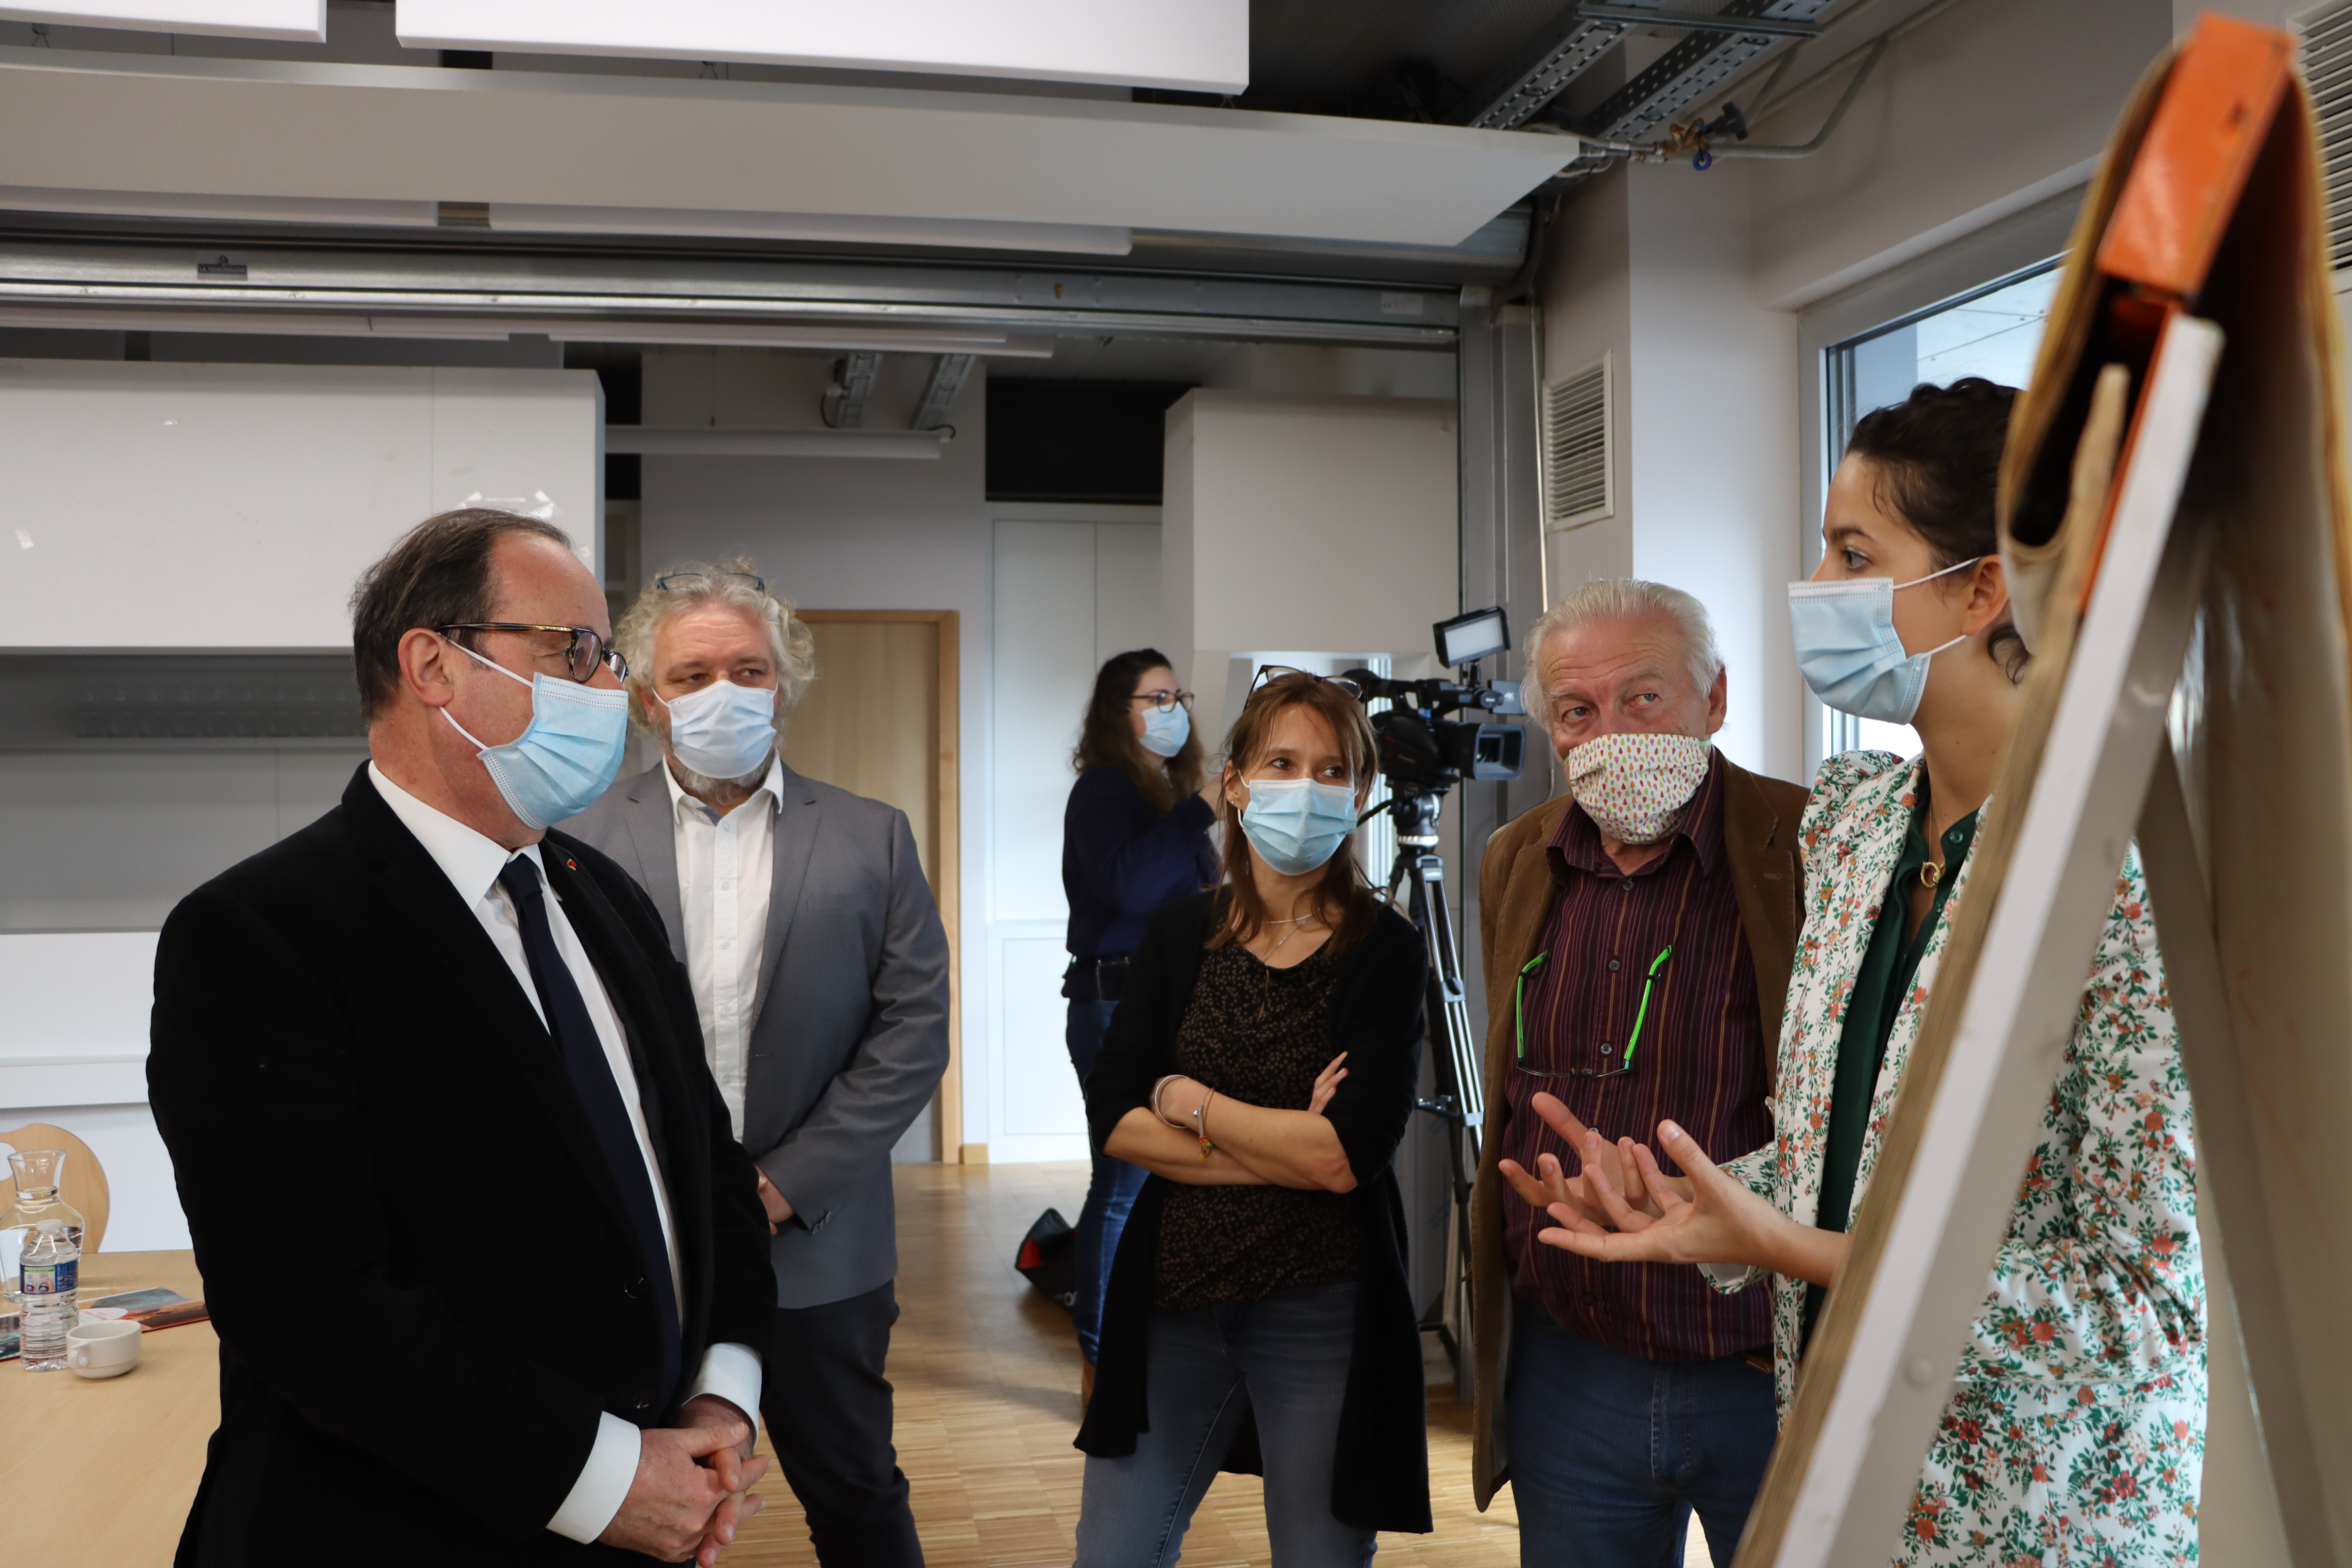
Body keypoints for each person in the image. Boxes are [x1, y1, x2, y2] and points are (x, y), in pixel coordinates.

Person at [1527, 379, 2205, 1564]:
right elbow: (1848, 1145)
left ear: (1984, 586)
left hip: (2032, 1513)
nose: (1817, 589)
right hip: (1838, 1473)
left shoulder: (2132, 863)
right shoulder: (1856, 829)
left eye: (1853, 552)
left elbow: (2142, 1309)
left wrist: (1808, 1252)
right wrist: (1705, 1201)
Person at [147, 509, 777, 1567]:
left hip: (660, 1512)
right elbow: (307, 1306)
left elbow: (710, 1177)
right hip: (402, 1530)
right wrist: (603, 1478)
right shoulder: (261, 934)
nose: (609, 690)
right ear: (433, 665)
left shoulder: (603, 900)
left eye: (608, 657)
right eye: (572, 651)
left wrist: (724, 1400)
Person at [562, 557, 949, 1568]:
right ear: (649, 700)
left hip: (822, 1243)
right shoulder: (574, 843)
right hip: (640, 1248)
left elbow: (914, 1033)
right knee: (642, 1514)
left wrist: (778, 1188)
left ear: (785, 686)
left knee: (859, 1493)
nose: (723, 694)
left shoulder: (874, 839)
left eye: (748, 669)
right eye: (692, 677)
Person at [1466, 579, 1811, 1565]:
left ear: (1716, 700)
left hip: (1762, 1363)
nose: (1610, 730)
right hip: (1572, 1368)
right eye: (1578, 710)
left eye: (1644, 698)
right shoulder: (1515, 860)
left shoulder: (1813, 844)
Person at [1074, 669, 1431, 1568]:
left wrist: (1190, 1104)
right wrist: (1285, 1142)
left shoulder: (1384, 951)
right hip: (1172, 1303)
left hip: (1319, 1308)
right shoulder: (1179, 934)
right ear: (1234, 781)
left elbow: (1347, 1157)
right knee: (1112, 1554)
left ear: (1360, 794)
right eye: (1282, 762)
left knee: (1318, 1558)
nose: (1305, 788)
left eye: (1332, 769)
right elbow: (1117, 1116)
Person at [1060, 648, 1220, 1386]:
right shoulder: (1103, 790)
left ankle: (1139, 1342)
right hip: (1113, 1003)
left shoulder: (1160, 790)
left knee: (1154, 1183)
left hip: (1162, 1002)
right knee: (1121, 1186)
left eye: (1175, 695)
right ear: (1117, 712)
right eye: (1155, 698)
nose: (1172, 709)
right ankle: (1100, 1360)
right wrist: (1201, 811)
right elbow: (1126, 889)